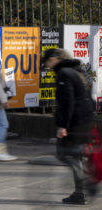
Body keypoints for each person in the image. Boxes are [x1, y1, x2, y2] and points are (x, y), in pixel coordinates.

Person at [44, 48, 95, 205]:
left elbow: (67, 101)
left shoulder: (64, 73)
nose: (46, 65)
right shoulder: (79, 71)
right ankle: (81, 190)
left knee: (65, 154)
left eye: (47, 61)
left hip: (75, 122)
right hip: (85, 120)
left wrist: (63, 126)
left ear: (55, 59)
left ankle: (82, 189)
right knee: (76, 156)